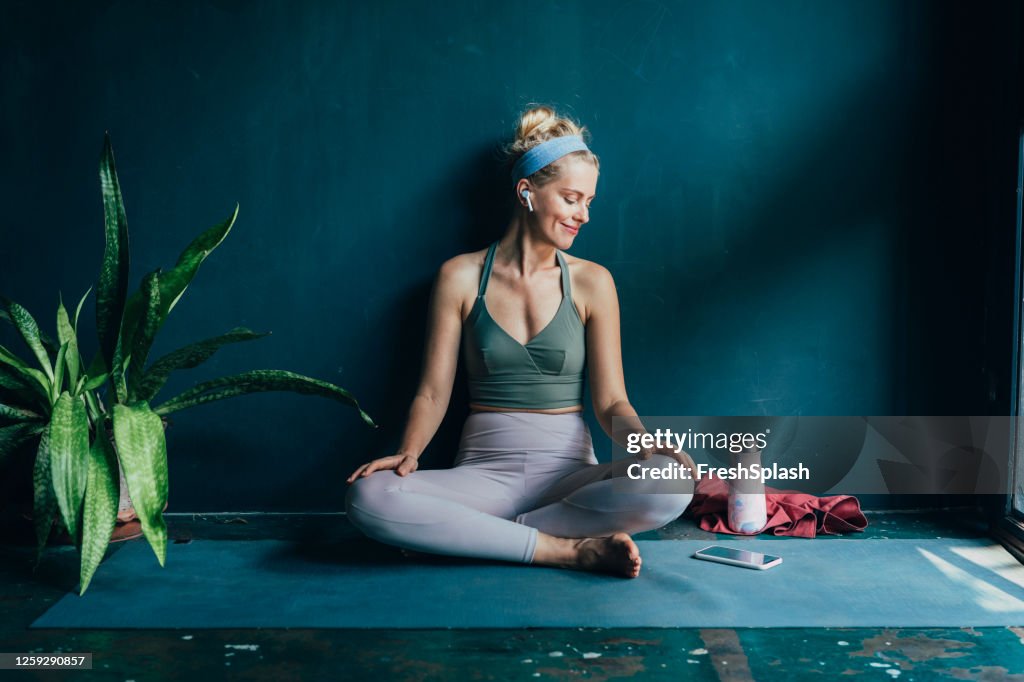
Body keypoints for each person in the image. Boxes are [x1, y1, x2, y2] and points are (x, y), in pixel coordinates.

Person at [344, 105, 697, 578]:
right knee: (368, 497)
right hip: (483, 474)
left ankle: (473, 536)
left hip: (571, 476)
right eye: (572, 198)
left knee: (671, 482)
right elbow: (432, 392)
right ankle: (568, 549)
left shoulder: (593, 282)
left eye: (589, 202)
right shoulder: (461, 276)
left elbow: (612, 400)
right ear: (527, 192)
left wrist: (644, 445)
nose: (583, 215)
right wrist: (409, 453)